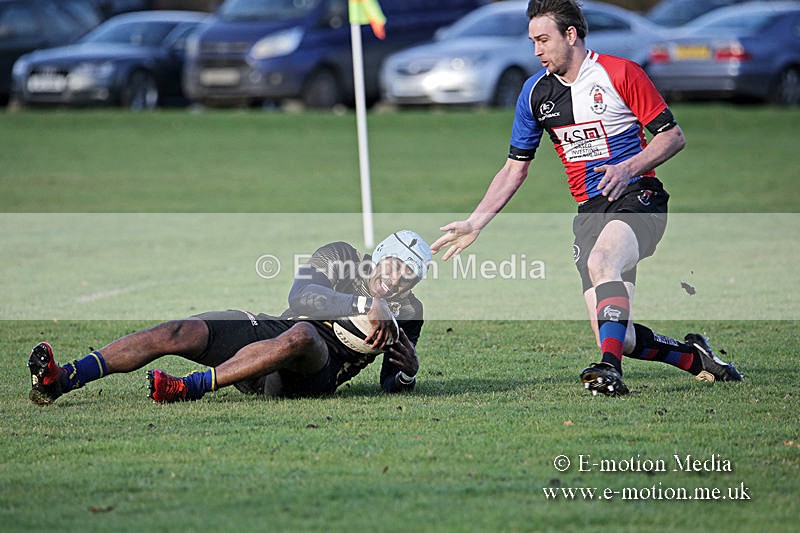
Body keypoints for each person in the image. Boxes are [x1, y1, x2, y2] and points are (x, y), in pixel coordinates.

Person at [431, 0, 742, 396]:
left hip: (638, 195)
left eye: (543, 39)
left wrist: (628, 168)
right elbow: (515, 167)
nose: (536, 50)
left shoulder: (621, 73)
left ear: (571, 35)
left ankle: (609, 370)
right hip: (590, 212)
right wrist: (476, 221)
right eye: (532, 41)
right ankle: (694, 358)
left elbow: (672, 136)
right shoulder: (534, 94)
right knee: (618, 334)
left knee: (602, 261)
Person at [27, 230, 431, 405]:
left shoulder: (410, 313)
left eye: (408, 275)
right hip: (273, 336)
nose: (396, 280)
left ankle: (191, 388)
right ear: (380, 255)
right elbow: (301, 295)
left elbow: (390, 385)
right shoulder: (339, 255)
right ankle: (62, 379)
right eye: (394, 265)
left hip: (313, 374)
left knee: (304, 336)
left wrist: (407, 373)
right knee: (180, 331)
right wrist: (363, 307)